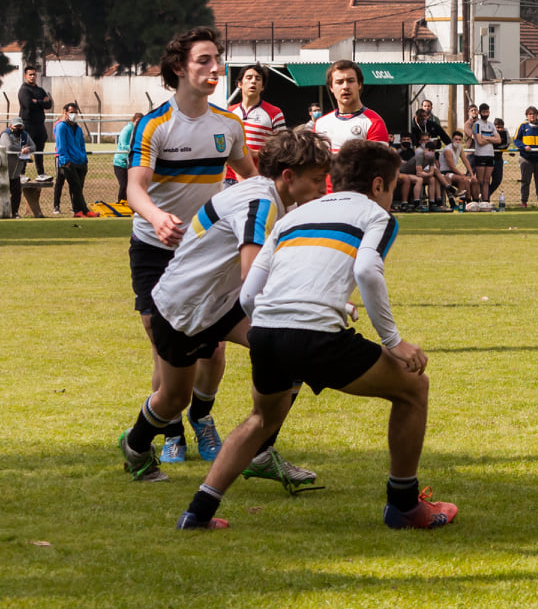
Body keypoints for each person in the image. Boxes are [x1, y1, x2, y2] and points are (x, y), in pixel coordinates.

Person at [177, 140, 456, 531]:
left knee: (262, 418)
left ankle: (197, 513)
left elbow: (248, 295)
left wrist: (279, 323)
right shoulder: (377, 216)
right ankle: (404, 507)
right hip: (314, 337)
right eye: (392, 188)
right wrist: (393, 342)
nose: (390, 197)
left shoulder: (293, 217)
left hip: (267, 334)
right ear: (378, 186)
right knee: (414, 387)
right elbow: (367, 272)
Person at [118, 128, 331, 490]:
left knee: (294, 352)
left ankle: (260, 452)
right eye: (316, 180)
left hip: (221, 301)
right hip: (184, 309)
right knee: (172, 399)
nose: (321, 188)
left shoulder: (268, 195)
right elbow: (253, 278)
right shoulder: (259, 204)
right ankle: (136, 446)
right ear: (288, 177)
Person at [127, 26, 254, 464]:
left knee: (212, 342)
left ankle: (201, 418)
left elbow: (251, 179)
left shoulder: (229, 125)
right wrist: (158, 217)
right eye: (204, 60)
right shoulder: (155, 125)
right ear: (179, 67)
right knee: (164, 344)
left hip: (204, 249)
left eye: (217, 58)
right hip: (154, 249)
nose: (215, 67)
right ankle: (170, 429)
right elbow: (135, 189)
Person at [313, 61, 388, 158]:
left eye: (350, 81)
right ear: (331, 87)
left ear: (359, 84)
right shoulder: (320, 124)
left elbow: (380, 166)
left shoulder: (374, 122)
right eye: (339, 82)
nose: (345, 86)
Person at [229, 65, 285, 179]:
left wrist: (252, 153)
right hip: (230, 178)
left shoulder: (274, 113)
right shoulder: (229, 113)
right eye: (249, 77)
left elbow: (282, 148)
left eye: (258, 79)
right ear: (239, 83)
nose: (253, 81)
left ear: (262, 86)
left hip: (259, 176)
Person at [52, 101, 90, 217]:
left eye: (75, 112)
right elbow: (61, 145)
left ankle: (77, 210)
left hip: (80, 162)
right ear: (65, 113)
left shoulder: (77, 128)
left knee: (78, 188)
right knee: (69, 185)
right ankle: (81, 210)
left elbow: (82, 144)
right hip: (68, 162)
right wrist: (65, 160)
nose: (74, 115)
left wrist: (84, 158)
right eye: (71, 112)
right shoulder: (61, 127)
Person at [18, 66, 51, 180]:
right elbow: (28, 104)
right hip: (28, 124)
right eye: (30, 74)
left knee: (39, 149)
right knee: (26, 149)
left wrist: (37, 101)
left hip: (39, 124)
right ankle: (21, 173)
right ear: (25, 76)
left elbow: (49, 104)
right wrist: (42, 102)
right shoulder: (24, 90)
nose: (32, 77)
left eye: (34, 74)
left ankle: (41, 173)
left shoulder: (40, 90)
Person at [516, 106, 538, 207]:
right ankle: (524, 202)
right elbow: (516, 140)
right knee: (525, 181)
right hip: (526, 158)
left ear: (537, 115)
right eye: (530, 114)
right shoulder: (522, 127)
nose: (532, 116)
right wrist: (523, 146)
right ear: (527, 116)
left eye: (534, 114)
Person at [467, 102, 496, 200]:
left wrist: (486, 138)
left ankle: (486, 201)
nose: (485, 113)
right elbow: (479, 141)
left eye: (487, 111)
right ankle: (476, 199)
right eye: (483, 112)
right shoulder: (477, 125)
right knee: (480, 180)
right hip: (480, 155)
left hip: (490, 155)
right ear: (480, 112)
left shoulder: (491, 125)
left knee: (487, 180)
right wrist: (490, 138)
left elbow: (498, 139)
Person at [3, 117, 31, 216]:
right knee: (3, 194)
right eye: (16, 126)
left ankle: (15, 212)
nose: (19, 128)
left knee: (16, 194)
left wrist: (27, 149)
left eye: (20, 126)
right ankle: (4, 213)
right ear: (11, 126)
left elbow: (32, 146)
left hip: (15, 172)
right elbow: (9, 147)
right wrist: (22, 149)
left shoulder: (24, 135)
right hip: (4, 172)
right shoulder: (6, 134)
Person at [113, 112, 140, 202]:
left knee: (131, 186)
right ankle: (121, 201)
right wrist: (136, 148)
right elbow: (124, 145)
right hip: (120, 162)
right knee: (124, 185)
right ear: (133, 120)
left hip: (131, 163)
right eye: (137, 121)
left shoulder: (139, 130)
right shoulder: (127, 129)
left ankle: (129, 202)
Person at [489, 117, 509, 200]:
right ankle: (484, 197)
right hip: (488, 159)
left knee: (497, 180)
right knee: (485, 181)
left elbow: (507, 144)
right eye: (497, 127)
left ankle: (486, 194)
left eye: (501, 127)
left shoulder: (505, 132)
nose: (500, 129)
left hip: (498, 159)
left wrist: (498, 146)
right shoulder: (489, 132)